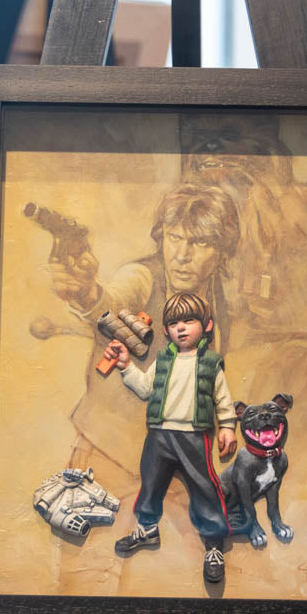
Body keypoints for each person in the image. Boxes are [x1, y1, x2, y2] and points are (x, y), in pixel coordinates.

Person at [51, 182, 241, 481]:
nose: (182, 255)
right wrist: (86, 294)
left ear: (222, 252)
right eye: (174, 237)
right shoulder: (142, 276)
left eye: (200, 242)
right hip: (110, 454)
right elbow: (113, 301)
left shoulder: (220, 301)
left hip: (174, 458)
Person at [103, 293, 238, 584]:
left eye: (189, 321)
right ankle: (147, 528)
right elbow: (145, 388)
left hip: (194, 436)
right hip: (159, 433)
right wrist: (126, 365)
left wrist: (227, 426)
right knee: (150, 481)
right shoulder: (163, 360)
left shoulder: (211, 363)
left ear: (207, 325)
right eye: (174, 323)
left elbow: (223, 399)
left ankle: (214, 545)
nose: (181, 327)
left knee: (204, 486)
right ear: (166, 330)